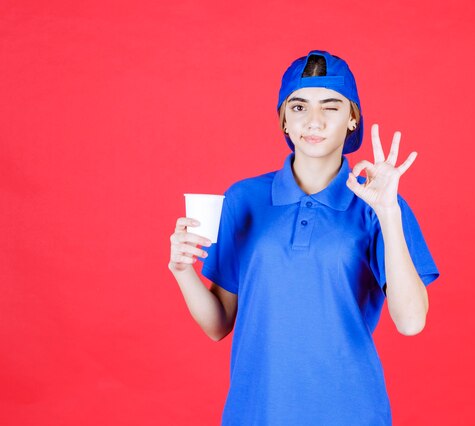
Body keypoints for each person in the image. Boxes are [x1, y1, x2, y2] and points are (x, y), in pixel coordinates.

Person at [168, 50, 440, 426]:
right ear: (283, 119)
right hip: (257, 411)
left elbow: (411, 322)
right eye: (298, 107)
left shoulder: (378, 206)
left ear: (352, 118)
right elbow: (218, 325)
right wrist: (183, 271)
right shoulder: (244, 199)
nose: (313, 121)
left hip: (351, 411)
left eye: (330, 107)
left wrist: (388, 211)